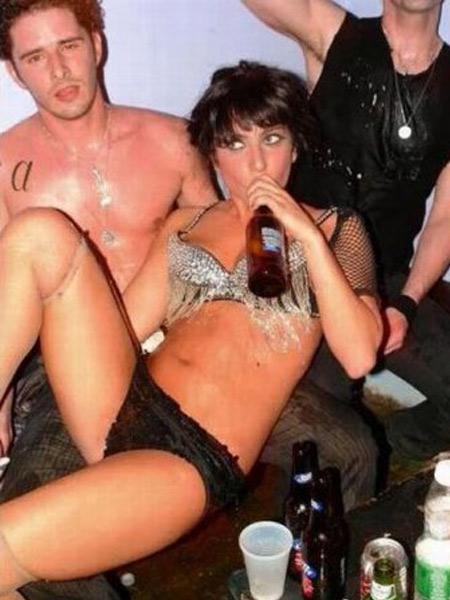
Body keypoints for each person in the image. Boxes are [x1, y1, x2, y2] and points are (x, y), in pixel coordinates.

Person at [0, 60, 382, 596]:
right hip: (124, 403)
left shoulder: (337, 230)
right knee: (39, 231)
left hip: (188, 458)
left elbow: (360, 354)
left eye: (272, 139)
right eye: (234, 143)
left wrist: (307, 237)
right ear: (214, 154)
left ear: (295, 147)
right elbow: (124, 327)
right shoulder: (187, 224)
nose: (255, 163)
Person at [0, 1, 215, 597]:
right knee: (32, 534)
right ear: (14, 72)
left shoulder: (174, 139)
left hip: (178, 346)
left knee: (347, 445)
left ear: (97, 44)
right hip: (68, 368)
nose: (58, 70)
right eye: (35, 57)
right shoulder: (3, 165)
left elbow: (217, 250)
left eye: (69, 46)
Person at [241, 0, 450, 462]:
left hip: (387, 283)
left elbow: (444, 219)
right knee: (325, 445)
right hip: (301, 277)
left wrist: (406, 304)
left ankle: (390, 445)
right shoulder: (334, 33)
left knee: (364, 444)